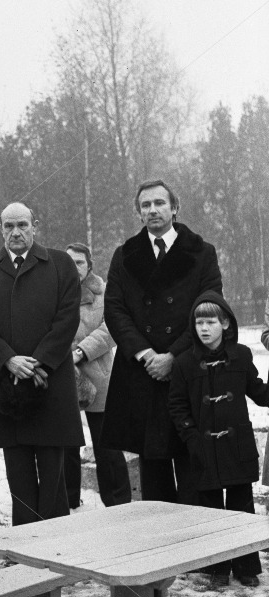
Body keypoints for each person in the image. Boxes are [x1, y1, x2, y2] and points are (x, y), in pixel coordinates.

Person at [102, 179, 222, 504]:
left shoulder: (202, 253)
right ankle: (160, 550)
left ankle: (199, 548)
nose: (153, 210)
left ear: (174, 207)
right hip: (143, 374)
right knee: (153, 478)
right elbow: (114, 309)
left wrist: (172, 356)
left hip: (187, 371)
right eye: (145, 205)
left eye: (159, 203)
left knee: (193, 469)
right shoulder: (125, 255)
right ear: (138, 213)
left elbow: (209, 310)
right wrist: (145, 355)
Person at [0, 203, 83, 526]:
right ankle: (26, 550)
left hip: (50, 384)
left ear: (35, 225)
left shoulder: (60, 265)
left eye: (22, 225)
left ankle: (57, 551)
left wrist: (39, 362)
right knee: (18, 477)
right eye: (8, 226)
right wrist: (8, 360)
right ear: (0, 229)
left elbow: (67, 318)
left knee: (52, 475)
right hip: (6, 388)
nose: (15, 232)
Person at [168, 291, 267, 588]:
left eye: (211, 321)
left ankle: (247, 566)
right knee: (211, 509)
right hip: (203, 447)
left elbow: (258, 391)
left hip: (237, 446)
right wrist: (192, 437)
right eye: (199, 322)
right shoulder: (185, 363)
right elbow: (177, 404)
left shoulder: (240, 356)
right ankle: (217, 569)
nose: (204, 328)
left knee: (241, 507)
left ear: (225, 323)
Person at [62, 243, 131, 508]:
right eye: (69, 262)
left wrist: (81, 351)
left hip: (100, 375)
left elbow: (112, 327)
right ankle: (68, 499)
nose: (74, 268)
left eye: (80, 262)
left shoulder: (104, 292)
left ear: (89, 265)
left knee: (107, 445)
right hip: (65, 375)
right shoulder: (55, 293)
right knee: (67, 444)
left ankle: (118, 501)